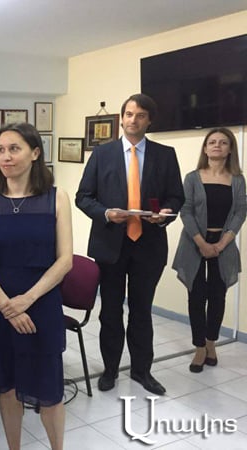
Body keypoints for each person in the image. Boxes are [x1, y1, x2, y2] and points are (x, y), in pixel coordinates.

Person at [0, 122, 72, 450]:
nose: (5, 156)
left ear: (35, 153)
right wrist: (8, 306)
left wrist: (26, 299)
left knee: (50, 389)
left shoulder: (56, 198)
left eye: (14, 148)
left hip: (41, 305)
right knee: (7, 387)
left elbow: (65, 260)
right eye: (1, 150)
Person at [75, 93, 184, 395]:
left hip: (149, 246)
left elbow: (176, 196)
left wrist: (165, 214)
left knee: (141, 311)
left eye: (140, 115)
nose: (133, 120)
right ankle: (110, 370)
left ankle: (141, 371)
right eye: (129, 114)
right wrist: (106, 213)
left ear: (150, 120)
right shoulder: (102, 154)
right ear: (121, 119)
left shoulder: (165, 155)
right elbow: (83, 197)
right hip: (110, 245)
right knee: (110, 311)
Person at [172, 128, 246, 373]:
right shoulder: (193, 177)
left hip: (223, 243)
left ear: (230, 149)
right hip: (194, 243)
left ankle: (211, 343)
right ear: (205, 148)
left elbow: (240, 212)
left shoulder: (237, 179)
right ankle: (199, 347)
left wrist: (222, 243)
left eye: (223, 142)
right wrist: (202, 243)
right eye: (212, 142)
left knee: (217, 296)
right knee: (196, 296)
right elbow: (186, 210)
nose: (217, 145)